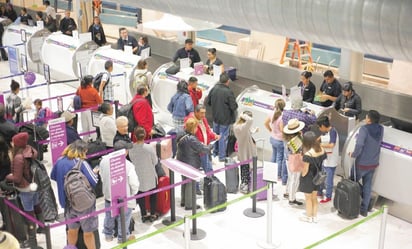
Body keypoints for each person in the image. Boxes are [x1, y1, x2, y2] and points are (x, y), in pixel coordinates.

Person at [50, 140, 98, 249]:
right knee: (88, 233)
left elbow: (53, 176)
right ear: (83, 151)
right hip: (84, 204)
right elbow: (93, 182)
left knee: (71, 231)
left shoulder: (59, 161)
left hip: (67, 202)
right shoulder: (81, 163)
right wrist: (94, 173)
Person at [6, 132, 43, 249]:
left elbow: (16, 178)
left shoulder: (18, 157)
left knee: (28, 213)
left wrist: (8, 177)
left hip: (25, 188)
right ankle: (42, 227)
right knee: (36, 205)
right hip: (34, 184)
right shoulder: (30, 150)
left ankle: (32, 241)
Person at [100, 140, 139, 242]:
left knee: (109, 215)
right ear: (125, 151)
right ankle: (123, 237)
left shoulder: (104, 160)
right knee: (124, 218)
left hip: (109, 195)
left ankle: (108, 235)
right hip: (124, 197)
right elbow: (134, 183)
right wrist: (134, 192)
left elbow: (102, 176)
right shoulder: (128, 165)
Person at [349, 110, 384, 217]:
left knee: (352, 183)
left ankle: (351, 206)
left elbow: (359, 144)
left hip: (361, 162)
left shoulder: (364, 129)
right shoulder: (381, 129)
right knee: (367, 186)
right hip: (373, 162)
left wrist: (353, 154)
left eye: (366, 117)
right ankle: (364, 210)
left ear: (369, 119)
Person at [177, 117, 211, 210]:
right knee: (190, 183)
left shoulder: (181, 134)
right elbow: (202, 149)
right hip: (190, 163)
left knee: (184, 181)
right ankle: (190, 204)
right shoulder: (192, 139)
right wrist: (210, 146)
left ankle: (184, 201)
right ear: (193, 128)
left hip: (181, 161)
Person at [128, 127, 158, 222]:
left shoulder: (131, 149)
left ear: (135, 137)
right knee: (153, 195)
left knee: (140, 196)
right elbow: (155, 161)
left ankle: (144, 215)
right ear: (145, 135)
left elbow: (131, 160)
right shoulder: (149, 148)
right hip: (150, 175)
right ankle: (153, 214)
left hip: (138, 176)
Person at [206, 72, 238, 162]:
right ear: (227, 81)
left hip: (215, 117)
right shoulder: (228, 92)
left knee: (215, 135)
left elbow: (208, 102)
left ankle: (215, 152)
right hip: (225, 119)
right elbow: (233, 106)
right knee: (223, 137)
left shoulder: (214, 89)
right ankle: (222, 156)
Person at [299, 131, 327, 223]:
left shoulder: (308, 154)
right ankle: (314, 217)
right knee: (314, 197)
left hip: (308, 178)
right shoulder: (321, 149)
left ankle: (308, 217)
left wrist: (302, 176)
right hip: (317, 177)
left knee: (308, 198)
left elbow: (305, 169)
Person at [184, 104, 219, 174]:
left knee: (209, 169)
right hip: (197, 152)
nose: (204, 115)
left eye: (204, 112)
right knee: (198, 173)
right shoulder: (191, 122)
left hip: (205, 149)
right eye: (202, 113)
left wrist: (213, 136)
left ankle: (210, 183)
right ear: (196, 112)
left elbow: (207, 130)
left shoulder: (204, 119)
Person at [233, 111, 258, 194]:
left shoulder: (237, 126)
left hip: (243, 151)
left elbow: (247, 131)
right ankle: (246, 186)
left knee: (244, 169)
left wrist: (253, 131)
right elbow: (250, 121)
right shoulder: (241, 127)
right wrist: (243, 115)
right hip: (246, 152)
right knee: (247, 170)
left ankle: (244, 186)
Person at [282, 118, 305, 206]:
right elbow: (300, 149)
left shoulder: (286, 137)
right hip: (295, 159)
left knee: (290, 177)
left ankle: (287, 192)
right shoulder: (297, 139)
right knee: (295, 179)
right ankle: (292, 198)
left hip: (287, 158)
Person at [316, 115, 339, 203]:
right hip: (326, 159)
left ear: (323, 126)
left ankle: (328, 196)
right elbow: (322, 137)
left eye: (319, 127)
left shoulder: (333, 132)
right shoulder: (328, 131)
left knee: (328, 180)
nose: (319, 129)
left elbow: (331, 145)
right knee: (322, 176)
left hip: (331, 161)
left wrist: (319, 145)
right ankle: (319, 191)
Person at [264, 98, 287, 184]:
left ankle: (271, 172)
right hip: (280, 140)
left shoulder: (271, 113)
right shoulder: (281, 117)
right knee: (279, 158)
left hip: (273, 138)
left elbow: (265, 123)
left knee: (274, 155)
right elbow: (282, 130)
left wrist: (271, 130)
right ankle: (278, 175)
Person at [75, 75, 103, 141]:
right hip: (92, 111)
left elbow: (76, 96)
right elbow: (100, 101)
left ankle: (85, 142)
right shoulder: (93, 91)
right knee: (92, 128)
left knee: (85, 128)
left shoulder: (80, 88)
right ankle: (94, 142)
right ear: (90, 82)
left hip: (83, 111)